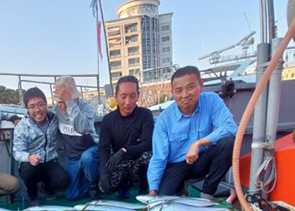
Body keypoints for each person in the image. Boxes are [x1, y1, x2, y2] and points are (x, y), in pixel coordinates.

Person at [147, 66, 237, 197]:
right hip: (176, 165)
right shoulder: (164, 120)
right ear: (173, 93)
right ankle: (180, 188)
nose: (185, 95)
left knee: (228, 144)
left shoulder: (212, 100)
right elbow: (159, 157)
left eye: (190, 87)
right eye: (178, 90)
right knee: (163, 199)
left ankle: (207, 193)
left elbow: (230, 127)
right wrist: (153, 191)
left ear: (201, 85)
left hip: (201, 160)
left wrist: (198, 144)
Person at [98, 75, 154, 198]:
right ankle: (125, 183)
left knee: (148, 157)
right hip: (120, 163)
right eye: (123, 96)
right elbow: (103, 148)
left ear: (138, 96)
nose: (128, 102)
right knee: (104, 188)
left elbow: (148, 143)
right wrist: (104, 174)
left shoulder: (146, 114)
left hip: (139, 162)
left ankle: (144, 186)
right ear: (116, 96)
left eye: (132, 96)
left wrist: (125, 150)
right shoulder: (108, 120)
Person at [13, 87, 70, 206]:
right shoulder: (22, 126)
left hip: (50, 161)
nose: (38, 110)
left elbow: (68, 118)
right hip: (32, 164)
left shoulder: (54, 118)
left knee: (63, 180)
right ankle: (32, 195)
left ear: (46, 104)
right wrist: (29, 157)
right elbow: (17, 152)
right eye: (32, 106)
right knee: (28, 171)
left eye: (41, 105)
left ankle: (46, 187)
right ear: (27, 109)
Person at [52, 76, 100, 200]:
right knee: (71, 196)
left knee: (87, 158)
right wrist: (13, 118)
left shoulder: (87, 108)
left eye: (64, 102)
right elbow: (42, 116)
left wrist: (70, 104)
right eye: (59, 102)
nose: (61, 106)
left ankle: (94, 186)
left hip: (90, 151)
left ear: (75, 98)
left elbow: (82, 128)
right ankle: (87, 180)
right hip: (73, 157)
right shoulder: (57, 109)